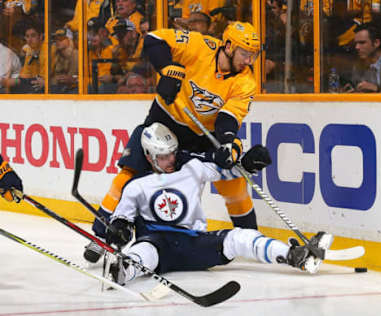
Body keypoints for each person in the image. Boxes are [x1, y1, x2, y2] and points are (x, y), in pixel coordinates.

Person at [83, 20, 262, 264]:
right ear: (228, 46)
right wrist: (168, 70)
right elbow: (154, 39)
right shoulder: (199, 46)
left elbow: (228, 118)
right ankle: (102, 235)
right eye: (245, 53)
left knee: (235, 185)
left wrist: (228, 142)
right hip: (166, 120)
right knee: (131, 172)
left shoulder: (246, 81)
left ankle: (251, 238)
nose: (249, 60)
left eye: (253, 55)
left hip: (203, 135)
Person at [105, 123, 333, 285]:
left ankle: (296, 256)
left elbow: (226, 171)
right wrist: (119, 230)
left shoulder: (191, 168)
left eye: (172, 154)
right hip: (158, 246)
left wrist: (248, 163)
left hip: (193, 243)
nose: (171, 160)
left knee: (239, 236)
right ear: (149, 156)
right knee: (143, 251)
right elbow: (121, 218)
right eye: (164, 156)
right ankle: (126, 270)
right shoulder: (136, 186)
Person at [49, 28, 79, 94]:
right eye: (56, 39)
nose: (57, 41)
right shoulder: (56, 55)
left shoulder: (75, 54)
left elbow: (72, 78)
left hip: (75, 90)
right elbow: (53, 77)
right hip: (60, 89)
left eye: (61, 39)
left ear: (69, 40)